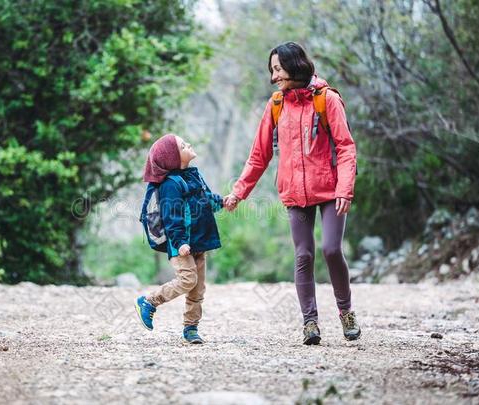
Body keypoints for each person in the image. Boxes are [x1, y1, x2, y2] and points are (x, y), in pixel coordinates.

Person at [223, 42, 361, 345]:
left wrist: (345, 189)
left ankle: (346, 312)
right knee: (303, 255)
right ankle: (310, 323)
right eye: (272, 71)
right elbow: (259, 156)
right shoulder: (276, 105)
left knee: (331, 250)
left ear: (294, 65)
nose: (274, 77)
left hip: (330, 190)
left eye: (277, 69)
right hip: (294, 192)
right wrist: (238, 192)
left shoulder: (327, 100)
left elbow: (346, 147)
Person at [135, 133, 223, 344]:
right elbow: (171, 216)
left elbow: (205, 198)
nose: (189, 144)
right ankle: (149, 301)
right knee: (187, 280)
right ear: (174, 158)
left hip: (199, 240)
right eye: (183, 145)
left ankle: (191, 329)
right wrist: (180, 241)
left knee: (198, 288)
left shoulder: (193, 175)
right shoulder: (170, 185)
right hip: (180, 244)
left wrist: (223, 202)